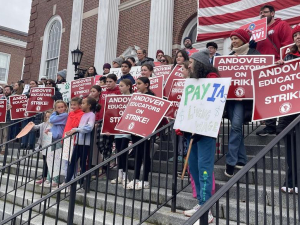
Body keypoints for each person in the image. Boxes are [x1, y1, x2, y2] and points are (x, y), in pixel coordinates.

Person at [181, 50, 218, 223]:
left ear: (199, 64)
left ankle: (206, 210)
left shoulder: (212, 79)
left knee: (204, 169)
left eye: (191, 63)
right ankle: (200, 203)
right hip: (191, 131)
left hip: (205, 132)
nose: (188, 66)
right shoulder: (192, 82)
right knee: (194, 169)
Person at [224, 29, 260, 178]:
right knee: (236, 128)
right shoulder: (230, 57)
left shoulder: (255, 54)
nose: (233, 41)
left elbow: (260, 73)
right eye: (232, 39)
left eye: (236, 38)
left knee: (236, 127)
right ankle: (242, 159)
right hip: (232, 99)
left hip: (245, 100)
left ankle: (231, 162)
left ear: (244, 40)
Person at [256, 5, 293, 137]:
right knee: (267, 98)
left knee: (281, 96)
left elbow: (288, 44)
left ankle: (283, 124)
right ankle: (270, 126)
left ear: (272, 13)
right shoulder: (258, 30)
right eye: (261, 13)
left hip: (279, 65)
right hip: (263, 69)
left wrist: (284, 60)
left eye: (265, 12)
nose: (263, 15)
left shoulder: (282, 25)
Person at [275, 25, 300, 193]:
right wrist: (280, 67)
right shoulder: (289, 56)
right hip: (291, 108)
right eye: (296, 35)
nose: (298, 37)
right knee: (290, 146)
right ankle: (291, 181)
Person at [126, 77, 154, 190]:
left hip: (145, 130)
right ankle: (136, 179)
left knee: (145, 155)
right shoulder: (136, 96)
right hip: (136, 129)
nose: (136, 86)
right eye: (136, 84)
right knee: (137, 154)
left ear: (146, 85)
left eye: (139, 83)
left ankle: (145, 180)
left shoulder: (152, 96)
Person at [64, 97, 97, 187]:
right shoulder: (83, 115)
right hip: (78, 142)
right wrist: (75, 130)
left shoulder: (91, 115)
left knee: (83, 163)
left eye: (83, 103)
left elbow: (89, 127)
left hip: (85, 143)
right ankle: (67, 183)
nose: (81, 105)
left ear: (89, 105)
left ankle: (81, 183)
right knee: (72, 162)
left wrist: (76, 129)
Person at [111, 79, 133, 186]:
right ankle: (119, 175)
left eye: (122, 85)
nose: (120, 87)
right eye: (119, 86)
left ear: (128, 86)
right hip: (117, 129)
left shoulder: (133, 97)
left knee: (124, 152)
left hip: (127, 129)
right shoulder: (117, 98)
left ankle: (125, 176)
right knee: (118, 152)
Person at [43, 100, 68, 187]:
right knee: (51, 159)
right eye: (58, 107)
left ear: (65, 107)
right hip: (53, 138)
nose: (61, 109)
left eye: (62, 107)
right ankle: (49, 178)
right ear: (56, 108)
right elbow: (54, 124)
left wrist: (53, 112)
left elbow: (52, 120)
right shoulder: (58, 115)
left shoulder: (65, 115)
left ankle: (55, 179)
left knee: (57, 159)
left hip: (59, 139)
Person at [30, 110, 53, 185]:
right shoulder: (44, 123)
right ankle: (44, 176)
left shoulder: (53, 124)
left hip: (51, 144)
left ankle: (49, 177)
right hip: (44, 144)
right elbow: (36, 127)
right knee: (45, 161)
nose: (47, 118)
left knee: (49, 161)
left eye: (49, 117)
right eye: (46, 117)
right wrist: (31, 125)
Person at [0, 85, 13, 154]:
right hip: (0, 118)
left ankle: (3, 149)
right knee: (0, 134)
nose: (6, 91)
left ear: (11, 91)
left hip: (7, 119)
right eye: (5, 90)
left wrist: (9, 108)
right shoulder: (2, 98)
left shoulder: (12, 98)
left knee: (5, 135)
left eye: (7, 90)